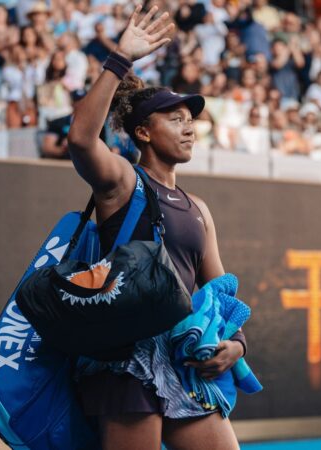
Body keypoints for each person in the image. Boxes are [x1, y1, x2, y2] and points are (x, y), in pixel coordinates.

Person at [68, 6, 247, 449]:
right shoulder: (124, 182)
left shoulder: (199, 208)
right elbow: (80, 139)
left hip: (184, 360)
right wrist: (120, 59)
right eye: (175, 119)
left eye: (191, 120)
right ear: (143, 133)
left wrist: (236, 344)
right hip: (128, 358)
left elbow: (218, 288)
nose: (189, 129)